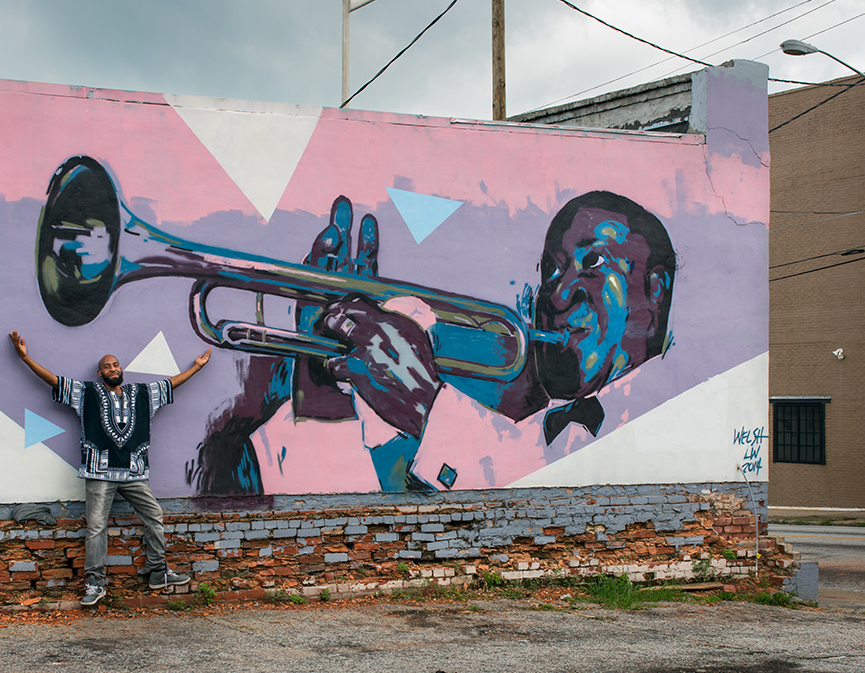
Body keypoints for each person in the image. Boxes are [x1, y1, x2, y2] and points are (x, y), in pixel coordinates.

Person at [190, 190, 674, 495]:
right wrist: (317, 399)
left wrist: (422, 408)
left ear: (654, 291)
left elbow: (516, 516)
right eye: (551, 269)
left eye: (591, 264)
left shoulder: (671, 411)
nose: (558, 291)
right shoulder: (519, 420)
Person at [10, 330, 210, 605]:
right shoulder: (87, 394)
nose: (113, 369)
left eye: (116, 365)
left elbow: (170, 384)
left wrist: (196, 368)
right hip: (99, 473)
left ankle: (157, 572)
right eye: (107, 366)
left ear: (121, 370)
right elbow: (54, 380)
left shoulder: (141, 393)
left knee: (155, 516)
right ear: (100, 373)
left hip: (134, 472)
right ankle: (95, 584)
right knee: (95, 528)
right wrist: (25, 359)